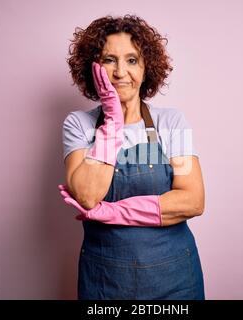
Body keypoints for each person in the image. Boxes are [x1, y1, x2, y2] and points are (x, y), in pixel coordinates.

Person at [58, 14, 206, 300]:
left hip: (175, 280)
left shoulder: (172, 123)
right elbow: (88, 196)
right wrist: (112, 121)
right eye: (109, 60)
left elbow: (193, 200)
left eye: (132, 60)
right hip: (105, 282)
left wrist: (113, 212)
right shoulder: (79, 125)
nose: (120, 72)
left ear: (146, 66)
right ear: (93, 68)